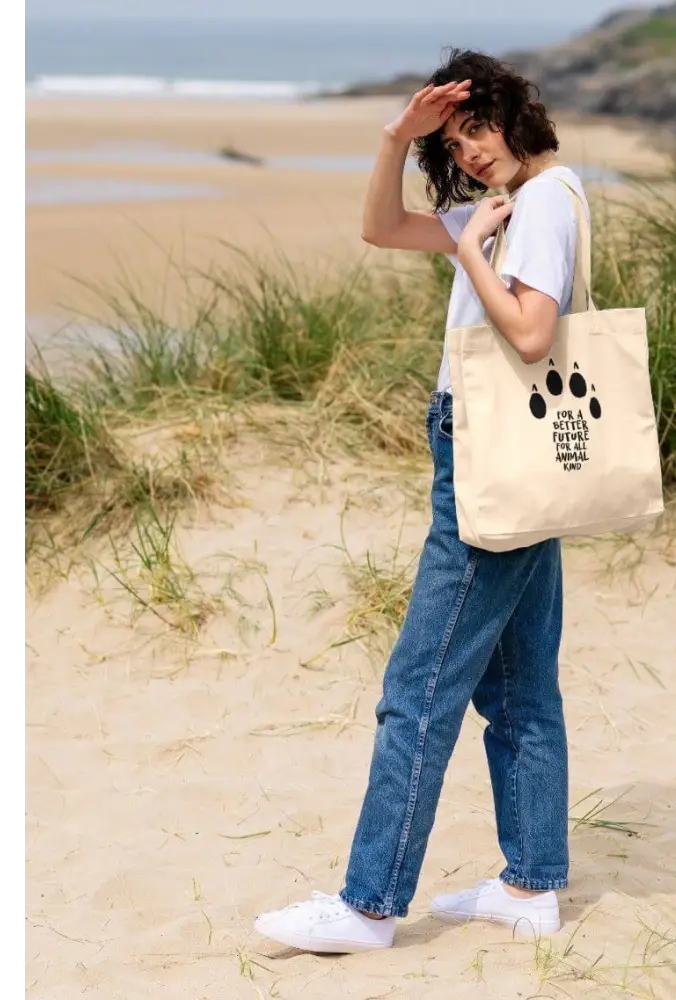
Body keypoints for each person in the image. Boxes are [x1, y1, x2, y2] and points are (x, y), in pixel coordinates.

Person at [254, 48, 591, 954]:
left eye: (477, 127)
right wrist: (395, 140)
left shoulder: (543, 204)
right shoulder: (507, 205)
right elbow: (380, 229)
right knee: (520, 687)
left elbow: (528, 332)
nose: (472, 151)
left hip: (491, 451)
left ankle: (369, 903)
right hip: (502, 451)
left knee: (419, 687)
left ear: (515, 112)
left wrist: (476, 250)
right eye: (455, 140)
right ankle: (529, 886)